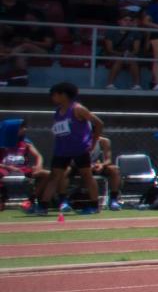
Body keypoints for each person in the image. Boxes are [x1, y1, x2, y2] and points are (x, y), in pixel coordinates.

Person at [36, 81, 103, 214]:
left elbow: (99, 123)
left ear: (63, 95)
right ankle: (43, 207)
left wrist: (93, 143)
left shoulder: (78, 109)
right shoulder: (58, 111)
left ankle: (94, 206)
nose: (52, 98)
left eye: (54, 95)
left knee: (87, 176)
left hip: (79, 149)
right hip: (62, 150)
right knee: (54, 176)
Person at [89, 133, 124, 209]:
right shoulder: (77, 140)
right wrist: (88, 165)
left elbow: (108, 160)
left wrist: (101, 165)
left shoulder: (104, 141)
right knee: (65, 171)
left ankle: (113, 200)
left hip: (96, 166)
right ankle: (63, 201)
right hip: (81, 166)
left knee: (114, 169)